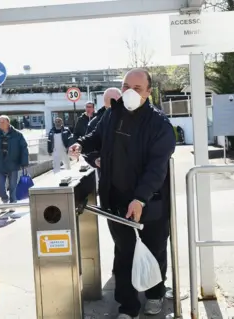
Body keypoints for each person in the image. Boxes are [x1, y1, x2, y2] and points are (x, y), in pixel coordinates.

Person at [69, 68, 176, 319]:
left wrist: (140, 198)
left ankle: (155, 294)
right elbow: (96, 137)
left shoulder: (160, 124)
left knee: (153, 250)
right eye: (126, 86)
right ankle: (128, 306)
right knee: (124, 252)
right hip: (115, 199)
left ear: (149, 92)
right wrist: (81, 144)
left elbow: (156, 168)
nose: (129, 92)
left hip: (150, 202)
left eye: (137, 88)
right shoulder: (112, 114)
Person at [0, 115, 29, 211]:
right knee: (0, 185)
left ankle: (13, 203)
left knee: (13, 186)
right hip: (0, 164)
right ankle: (5, 201)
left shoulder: (18, 135)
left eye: (2, 122)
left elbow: (24, 149)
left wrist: (24, 163)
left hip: (13, 164)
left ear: (8, 123)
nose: (0, 124)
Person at [84, 87, 122, 169]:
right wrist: (95, 160)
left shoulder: (133, 118)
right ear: (105, 105)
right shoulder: (94, 123)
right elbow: (88, 147)